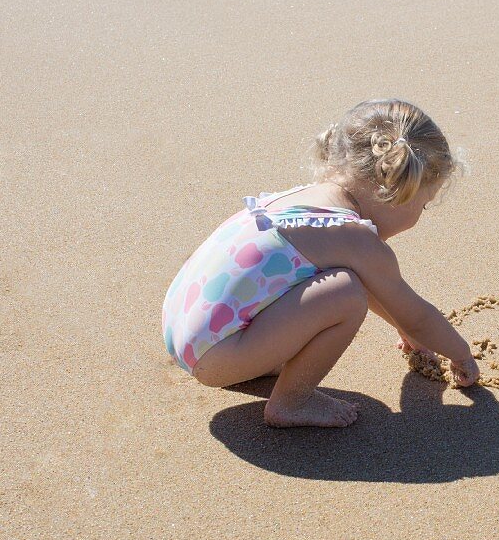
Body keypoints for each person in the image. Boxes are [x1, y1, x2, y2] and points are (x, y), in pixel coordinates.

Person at [162, 98, 479, 427]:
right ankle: (291, 402)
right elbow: (418, 317)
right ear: (396, 192)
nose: (419, 216)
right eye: (422, 205)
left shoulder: (308, 201)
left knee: (341, 280)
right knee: (344, 294)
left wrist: (403, 329)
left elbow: (386, 297)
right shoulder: (356, 239)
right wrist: (460, 353)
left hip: (183, 327)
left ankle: (252, 360)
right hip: (216, 356)